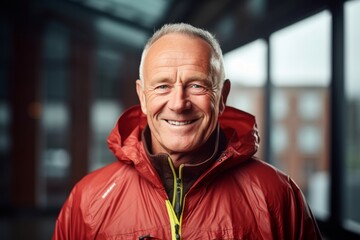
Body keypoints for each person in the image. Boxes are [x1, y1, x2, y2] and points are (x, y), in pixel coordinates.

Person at [53, 23, 322, 239]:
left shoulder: (276, 195)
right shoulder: (87, 200)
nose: (179, 103)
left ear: (222, 96)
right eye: (162, 86)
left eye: (197, 85)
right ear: (142, 97)